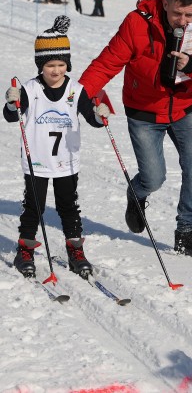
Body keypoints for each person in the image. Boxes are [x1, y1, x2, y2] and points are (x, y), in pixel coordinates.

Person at [78, 0, 192, 259]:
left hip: (185, 107)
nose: (183, 20)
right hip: (144, 110)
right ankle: (137, 193)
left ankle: (185, 233)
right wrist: (78, 95)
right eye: (177, 13)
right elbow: (107, 62)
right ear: (165, 2)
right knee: (154, 177)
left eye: (189, 14)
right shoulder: (137, 23)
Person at [2, 16, 110, 278]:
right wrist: (11, 102)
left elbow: (92, 118)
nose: (56, 70)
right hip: (37, 160)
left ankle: (75, 249)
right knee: (34, 207)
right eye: (50, 64)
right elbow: (11, 116)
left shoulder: (76, 89)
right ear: (41, 65)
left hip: (66, 161)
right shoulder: (30, 89)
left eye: (61, 64)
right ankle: (25, 248)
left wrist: (99, 113)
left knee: (68, 205)